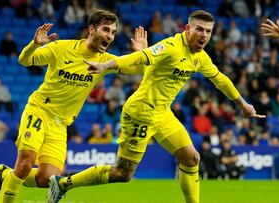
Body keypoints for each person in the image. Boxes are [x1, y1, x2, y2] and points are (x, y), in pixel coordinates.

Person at [48, 10, 265, 203]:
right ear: (187, 28)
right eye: (199, 29)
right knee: (122, 174)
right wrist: (105, 65)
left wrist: (242, 104)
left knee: (192, 158)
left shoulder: (200, 57)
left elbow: (220, 79)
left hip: (162, 114)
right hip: (140, 113)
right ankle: (63, 183)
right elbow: (140, 58)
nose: (204, 35)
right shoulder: (170, 47)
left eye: (208, 31)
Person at [0, 9, 148, 203]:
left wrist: (141, 53)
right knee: (25, 163)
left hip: (60, 124)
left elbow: (139, 68)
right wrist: (34, 45)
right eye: (106, 30)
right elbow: (25, 60)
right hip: (39, 110)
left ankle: (4, 175)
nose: (110, 36)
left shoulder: (105, 61)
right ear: (91, 29)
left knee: (47, 179)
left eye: (113, 32)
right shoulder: (61, 48)